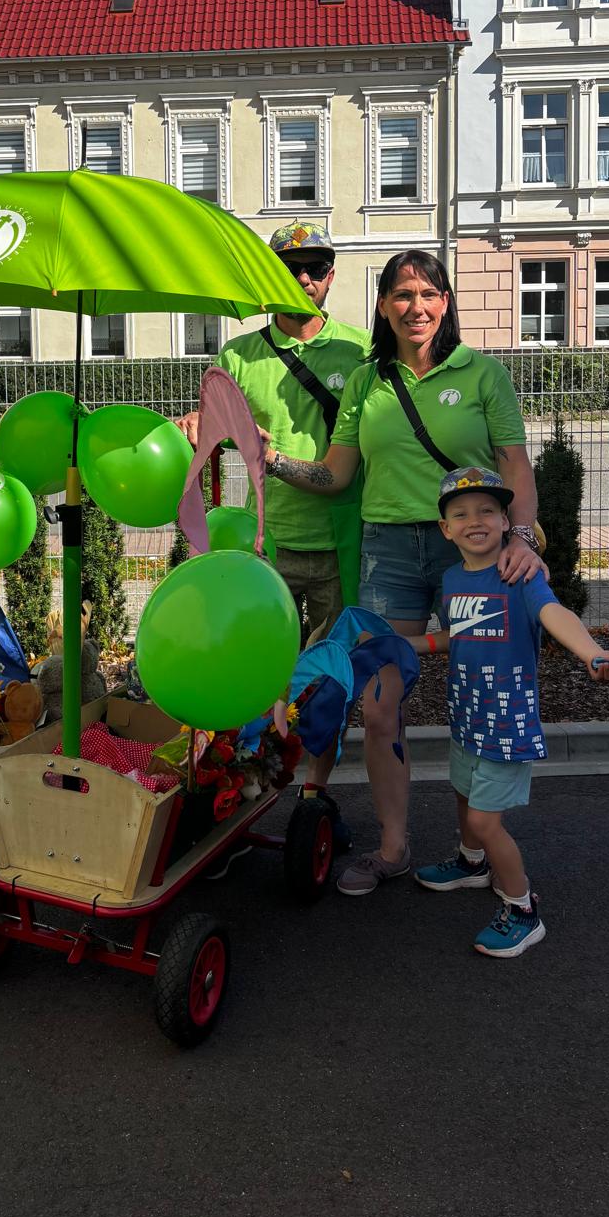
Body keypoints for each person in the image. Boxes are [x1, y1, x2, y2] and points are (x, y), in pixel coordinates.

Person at [261, 248, 546, 896]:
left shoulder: (481, 374)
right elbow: (334, 475)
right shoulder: (367, 381)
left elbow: (515, 464)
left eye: (428, 294)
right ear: (384, 306)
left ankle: (474, 847)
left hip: (471, 552)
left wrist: (522, 538)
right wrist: (269, 456)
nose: (416, 308)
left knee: (475, 697)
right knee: (381, 704)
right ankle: (393, 847)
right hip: (389, 549)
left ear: (445, 302)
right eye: (401, 296)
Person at [176, 221, 370, 855]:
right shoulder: (238, 357)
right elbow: (211, 419)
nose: (305, 278)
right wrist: (192, 423)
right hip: (270, 548)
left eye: (316, 266)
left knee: (327, 683)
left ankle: (314, 798)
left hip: (344, 543)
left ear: (332, 275)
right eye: (292, 267)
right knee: (259, 678)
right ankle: (242, 796)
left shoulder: (361, 351)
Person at [408, 466, 609, 956]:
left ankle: (522, 908)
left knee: (489, 822)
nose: (475, 520)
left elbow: (555, 614)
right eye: (461, 513)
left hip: (506, 722)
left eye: (488, 510)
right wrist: (404, 644)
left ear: (506, 520)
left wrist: (589, 650)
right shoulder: (451, 577)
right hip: (466, 712)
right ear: (445, 528)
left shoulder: (520, 574)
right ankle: (471, 864)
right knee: (463, 793)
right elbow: (457, 634)